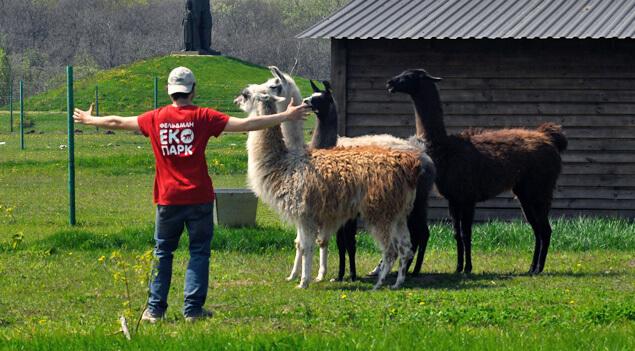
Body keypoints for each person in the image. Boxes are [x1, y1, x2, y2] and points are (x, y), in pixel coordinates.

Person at [73, 66, 310, 322]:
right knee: (199, 252)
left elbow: (117, 122)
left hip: (167, 199)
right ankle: (193, 310)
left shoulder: (155, 118)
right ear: (193, 90)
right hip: (199, 198)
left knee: (163, 253)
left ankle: (154, 311)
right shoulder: (204, 117)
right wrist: (285, 116)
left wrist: (89, 120)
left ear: (169, 91)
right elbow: (246, 124)